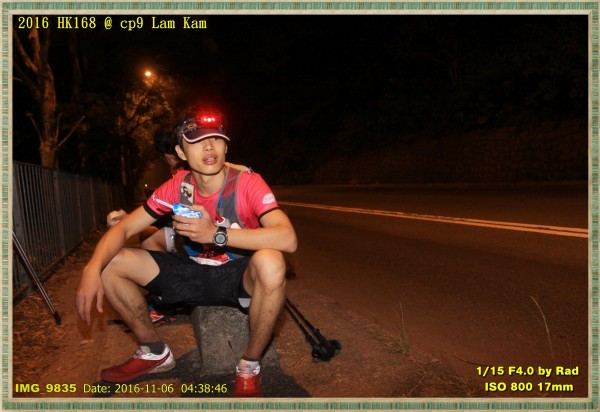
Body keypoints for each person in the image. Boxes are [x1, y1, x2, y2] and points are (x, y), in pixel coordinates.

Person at [76, 108, 297, 397]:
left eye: (216, 139)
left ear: (226, 146)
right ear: (180, 151)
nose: (209, 147)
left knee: (272, 261)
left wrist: (216, 234)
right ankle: (154, 352)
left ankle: (249, 366)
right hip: (191, 271)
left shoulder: (247, 183)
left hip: (238, 277)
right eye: (197, 141)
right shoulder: (177, 186)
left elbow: (288, 238)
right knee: (109, 262)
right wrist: (91, 268)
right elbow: (124, 228)